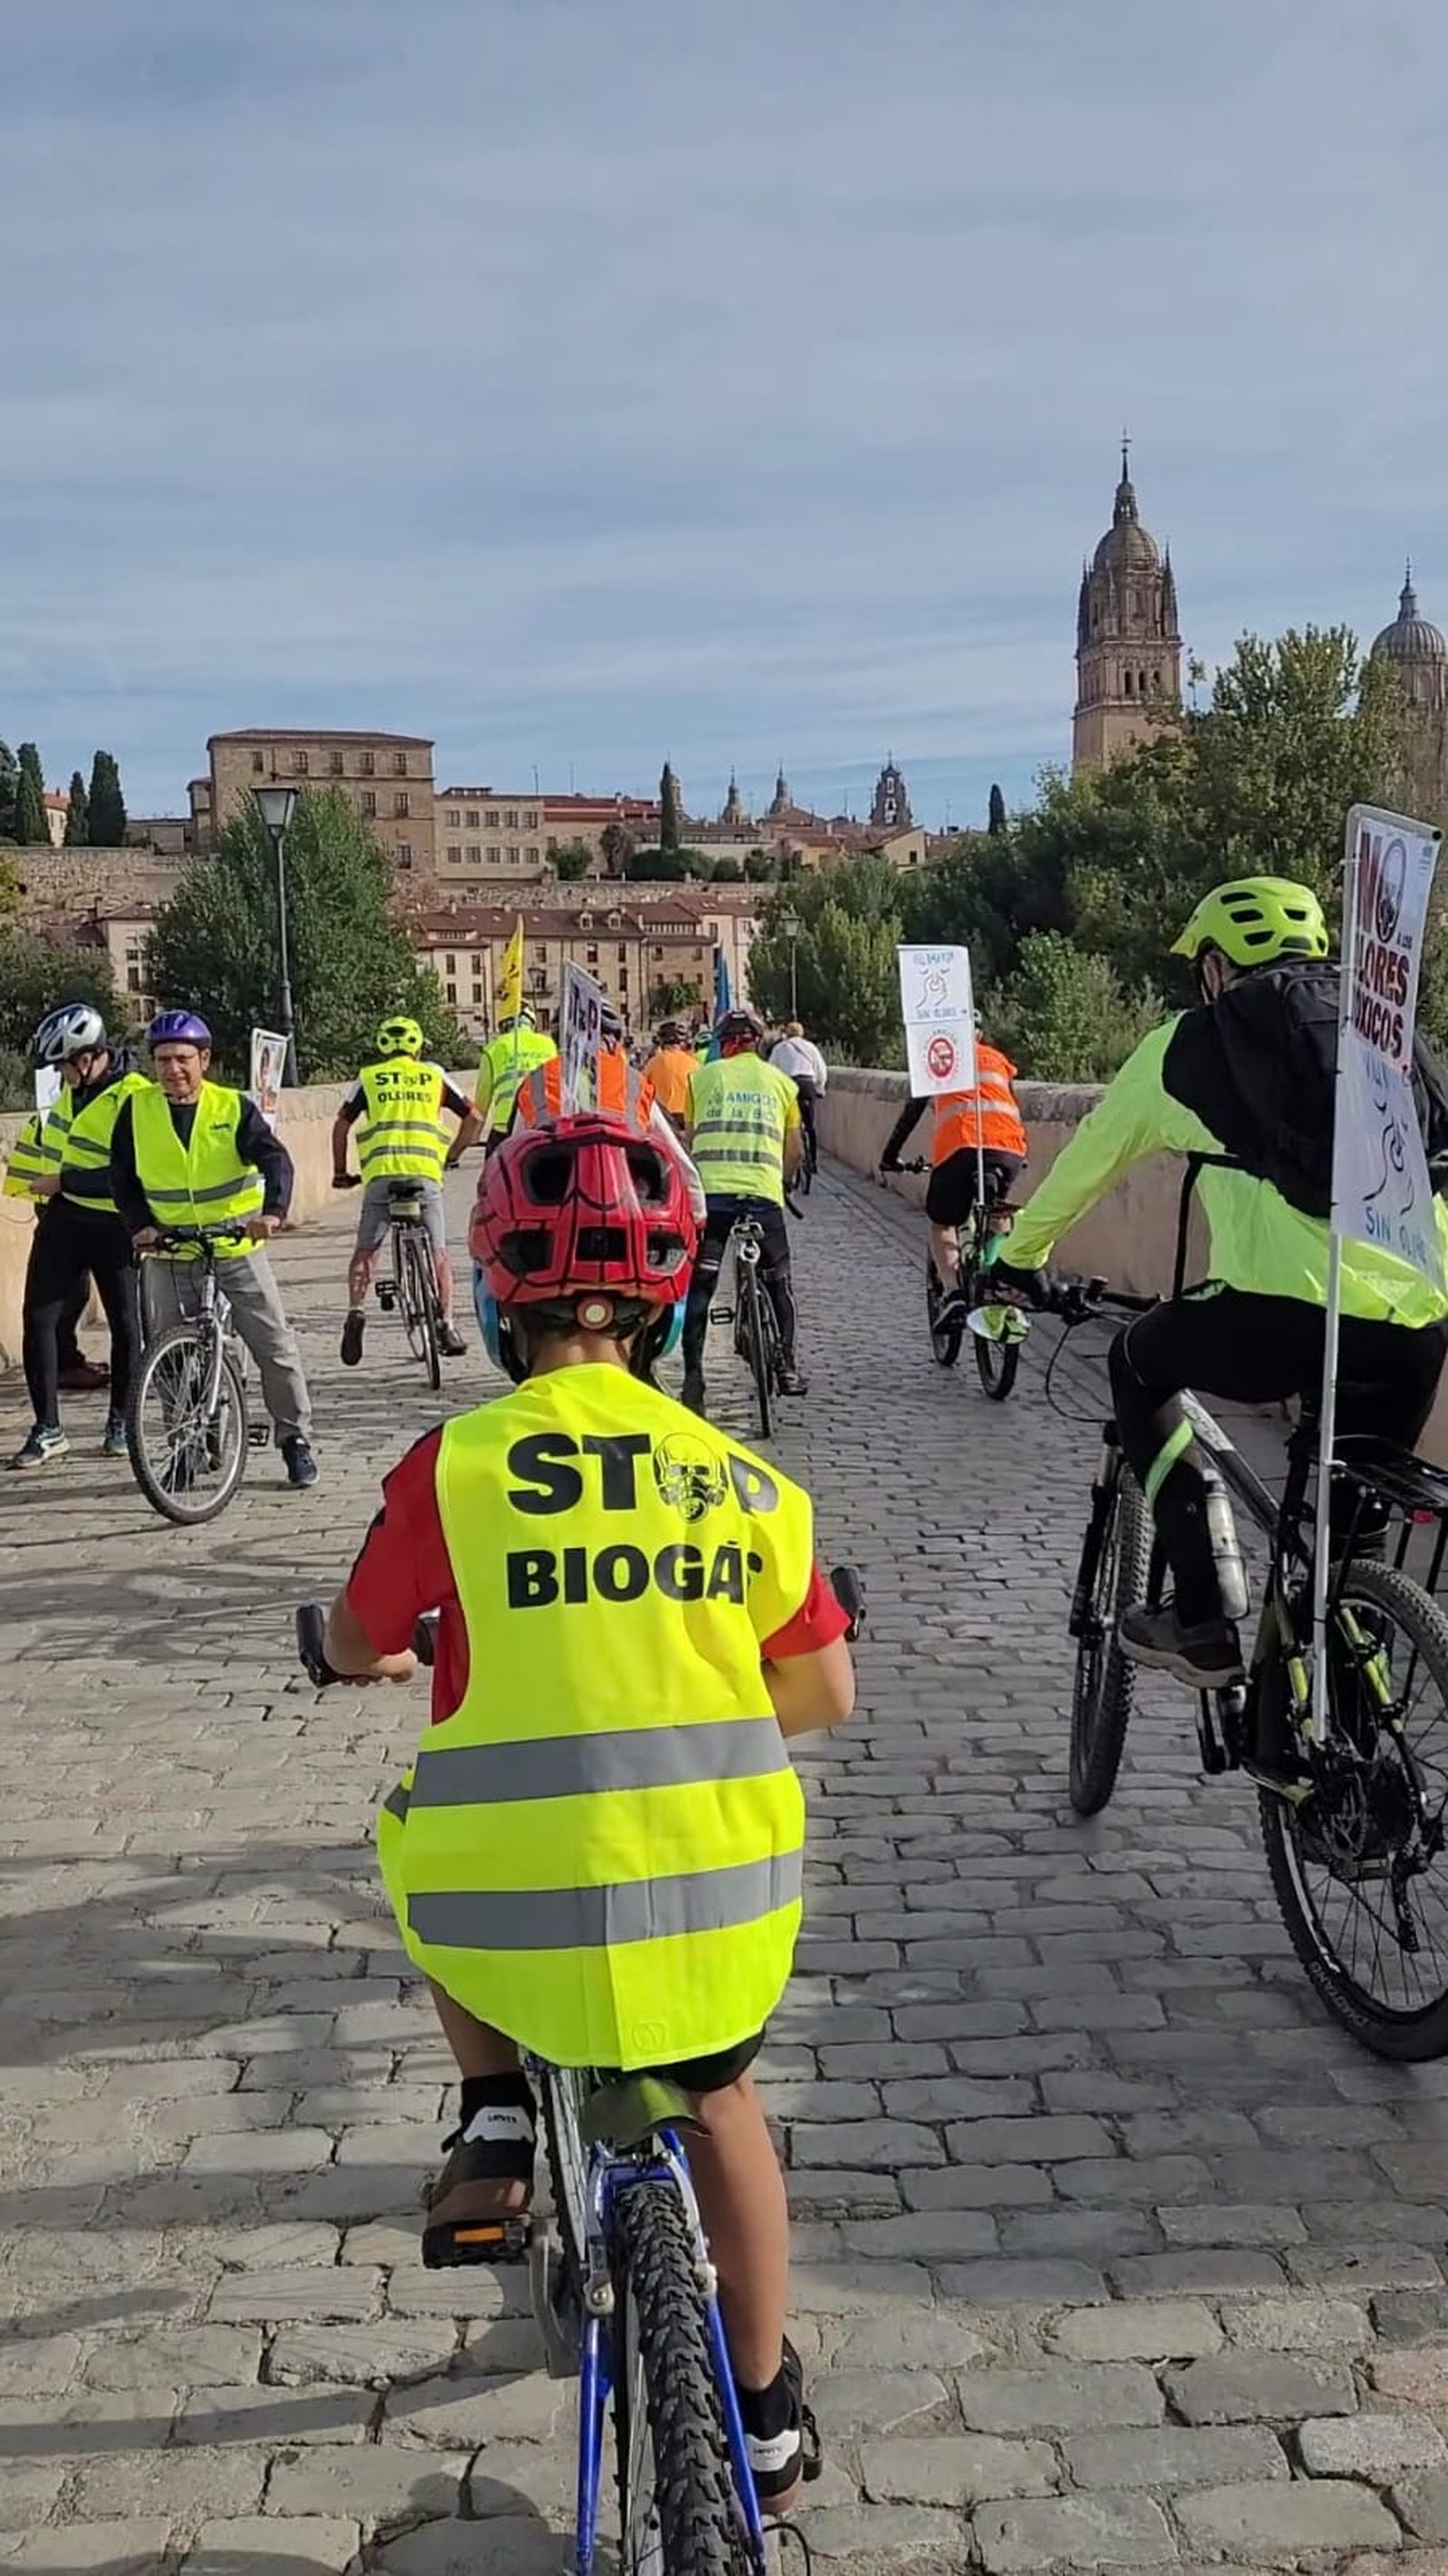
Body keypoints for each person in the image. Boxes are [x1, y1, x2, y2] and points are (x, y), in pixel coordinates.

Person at [319, 1109, 853, 2511]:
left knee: (405, 1821)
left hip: (515, 1913)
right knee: (724, 2098)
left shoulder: (456, 1466)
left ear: (498, 1293)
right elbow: (826, 1690)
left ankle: (495, 2105)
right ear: (665, 1296)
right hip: (721, 1900)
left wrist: (353, 1651)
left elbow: (360, 1630)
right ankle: (767, 2411)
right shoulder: (745, 1479)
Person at [991, 876, 1448, 1689]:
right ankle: (1356, 1755)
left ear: (1214, 964)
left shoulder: (1187, 1045)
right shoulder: (1389, 1038)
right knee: (1346, 1551)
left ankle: (1201, 1617)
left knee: (1137, 1362)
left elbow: (1082, 1169)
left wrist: (1018, 1260)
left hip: (1280, 1315)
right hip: (1414, 1319)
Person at [110, 1010, 319, 1490]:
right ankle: (183, 1445)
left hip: (232, 1244)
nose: (172, 1069)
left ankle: (295, 1440)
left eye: (183, 1059)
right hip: (169, 1248)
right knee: (166, 1356)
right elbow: (121, 1177)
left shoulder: (231, 1107)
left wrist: (272, 1212)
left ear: (203, 1059)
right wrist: (139, 1225)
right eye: (163, 1060)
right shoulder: (137, 1110)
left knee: (274, 1345)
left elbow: (274, 1159)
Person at [10, 1006, 147, 1468]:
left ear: (89, 1057)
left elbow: (134, 1173)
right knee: (39, 1319)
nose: (61, 1075)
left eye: (65, 1065)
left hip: (115, 1224)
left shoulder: (136, 1096)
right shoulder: (70, 1094)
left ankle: (121, 1422)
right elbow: (54, 1146)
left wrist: (64, 1182)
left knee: (127, 1325)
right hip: (64, 1221)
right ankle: (48, 1428)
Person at [331, 1016, 481, 1366]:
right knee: (439, 1253)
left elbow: (341, 1125)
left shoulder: (369, 1077)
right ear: (417, 1045)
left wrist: (341, 1173)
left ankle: (356, 1312)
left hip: (382, 1176)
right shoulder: (434, 1074)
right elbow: (473, 1116)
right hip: (425, 1174)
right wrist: (452, 1155)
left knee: (366, 1252)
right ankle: (446, 1323)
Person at [681, 1007, 807, 1415]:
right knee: (779, 1280)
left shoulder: (700, 1079)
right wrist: (784, 1183)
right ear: (758, 1042)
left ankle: (694, 1377)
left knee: (701, 1285)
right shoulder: (782, 1084)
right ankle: (787, 1365)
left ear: (723, 1044)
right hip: (762, 1196)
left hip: (714, 1198)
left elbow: (690, 1138)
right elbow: (794, 1150)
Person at [512, 1003, 707, 1229]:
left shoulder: (536, 1081)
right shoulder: (633, 1082)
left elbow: (512, 1156)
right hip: (627, 1206)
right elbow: (679, 1158)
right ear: (613, 1042)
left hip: (551, 1209)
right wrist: (699, 1213)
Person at [879, 1036, 1029, 1320]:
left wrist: (890, 1156)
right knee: (998, 1210)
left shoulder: (938, 1059)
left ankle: (953, 1293)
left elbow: (913, 1110)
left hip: (960, 1147)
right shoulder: (997, 1058)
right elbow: (1011, 1106)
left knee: (943, 1224)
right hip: (1008, 1149)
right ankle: (999, 1274)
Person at [4, 1093, 109, 1392]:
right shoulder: (63, 1102)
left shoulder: (64, 1100)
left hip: (61, 1195)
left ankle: (69, 1359)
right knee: (64, 1297)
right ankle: (65, 1364)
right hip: (55, 1198)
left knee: (75, 1294)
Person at [476, 1005, 557, 1153]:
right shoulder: (549, 1044)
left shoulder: (493, 1048)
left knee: (493, 1174)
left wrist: (473, 1138)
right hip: (546, 1124)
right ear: (532, 1023)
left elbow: (480, 1107)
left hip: (505, 1127)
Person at [768, 1020, 828, 1171]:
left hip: (789, 1086)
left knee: (784, 1125)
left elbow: (771, 1070)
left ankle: (783, 1159)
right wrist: (820, 1088)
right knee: (810, 1126)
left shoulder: (780, 1048)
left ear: (787, 1033)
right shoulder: (810, 1048)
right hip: (807, 1084)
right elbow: (821, 1070)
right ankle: (813, 1162)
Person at [641, 1018, 698, 1132]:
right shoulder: (694, 1064)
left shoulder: (654, 1062)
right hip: (687, 1120)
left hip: (663, 1120)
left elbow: (642, 1089)